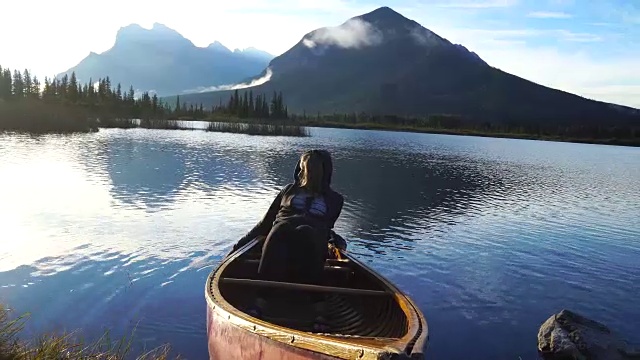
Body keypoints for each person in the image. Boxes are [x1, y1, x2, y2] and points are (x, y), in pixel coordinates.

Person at [231, 149, 344, 285]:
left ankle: (314, 298)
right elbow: (265, 224)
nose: (301, 173)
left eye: (305, 170)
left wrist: (336, 242)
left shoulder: (335, 200)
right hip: (280, 238)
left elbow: (327, 229)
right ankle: (263, 293)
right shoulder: (288, 191)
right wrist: (238, 246)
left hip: (311, 243)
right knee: (282, 228)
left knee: (306, 232)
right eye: (301, 169)